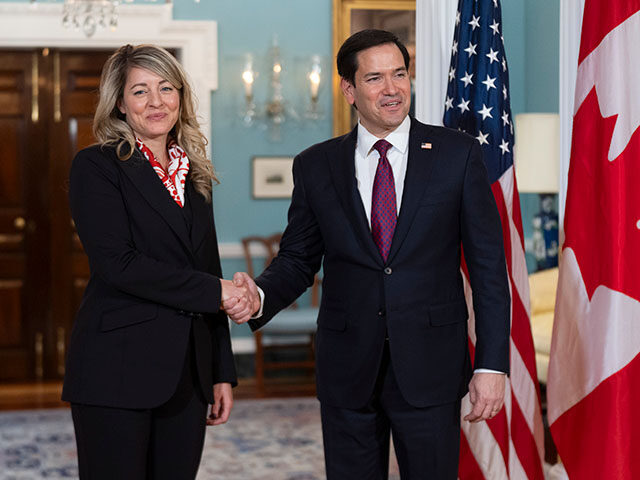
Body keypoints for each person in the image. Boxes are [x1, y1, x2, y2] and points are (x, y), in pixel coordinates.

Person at [228, 29, 511, 479]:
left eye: (399, 74)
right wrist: (258, 296)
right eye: (375, 78)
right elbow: (299, 259)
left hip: (431, 365)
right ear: (349, 90)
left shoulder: (457, 155)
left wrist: (492, 365)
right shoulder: (316, 165)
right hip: (347, 368)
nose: (393, 88)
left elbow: (489, 270)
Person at [63, 44, 257, 480]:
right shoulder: (96, 167)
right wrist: (217, 292)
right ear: (119, 102)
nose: (156, 102)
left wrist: (221, 372)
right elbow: (118, 264)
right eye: (140, 91)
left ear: (181, 97)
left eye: (167, 88)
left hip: (188, 374)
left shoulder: (196, 175)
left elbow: (208, 268)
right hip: (115, 369)